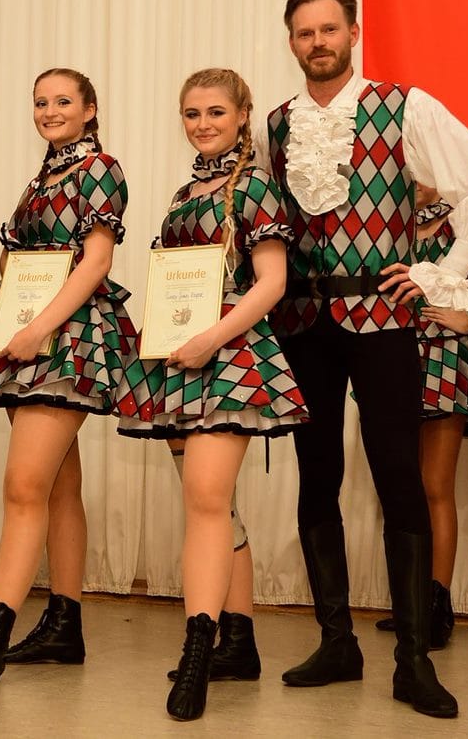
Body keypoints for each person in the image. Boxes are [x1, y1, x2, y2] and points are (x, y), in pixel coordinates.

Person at [263, 0, 468, 718]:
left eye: (328, 29)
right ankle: (336, 643)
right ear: (291, 42)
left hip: (383, 314)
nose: (317, 42)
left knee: (399, 474)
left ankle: (413, 658)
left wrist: (441, 270)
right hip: (304, 320)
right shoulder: (275, 124)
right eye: (305, 32)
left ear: (353, 33)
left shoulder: (404, 107)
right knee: (317, 476)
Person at [116, 68, 305, 719]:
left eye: (216, 112)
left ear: (243, 114)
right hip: (178, 358)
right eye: (192, 113)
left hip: (229, 354)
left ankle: (198, 648)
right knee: (217, 508)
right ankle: (240, 644)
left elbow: (272, 282)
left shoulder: (254, 185)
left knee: (204, 500)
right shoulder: (183, 193)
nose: (202, 124)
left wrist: (210, 339)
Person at [0, 68, 136, 696]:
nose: (50, 111)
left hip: (67, 336)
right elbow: (13, 258)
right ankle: (64, 623)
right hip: (27, 330)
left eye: (62, 101)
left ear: (90, 109)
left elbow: (97, 262)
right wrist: (22, 295)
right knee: (56, 485)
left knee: (23, 484)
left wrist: (38, 326)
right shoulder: (42, 178)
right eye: (40, 102)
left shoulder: (100, 168)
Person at [373, 185, 468, 646]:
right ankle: (412, 601)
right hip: (391, 353)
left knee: (435, 485)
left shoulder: (465, 219)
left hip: (443, 357)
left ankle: (436, 607)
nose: (415, 180)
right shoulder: (386, 220)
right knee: (401, 484)